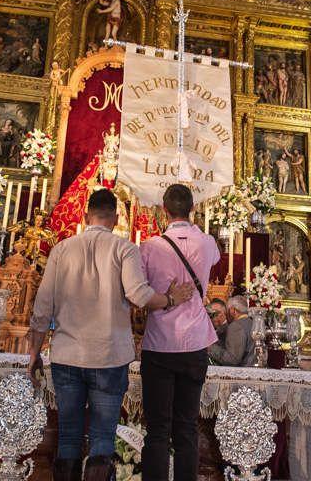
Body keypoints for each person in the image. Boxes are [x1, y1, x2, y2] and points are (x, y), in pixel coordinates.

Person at [27, 189, 194, 481]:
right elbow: (139, 295)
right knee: (102, 438)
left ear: (84, 215)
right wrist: (169, 300)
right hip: (108, 355)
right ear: (116, 218)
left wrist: (33, 354)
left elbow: (42, 307)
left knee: (68, 437)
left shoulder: (62, 249)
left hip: (68, 355)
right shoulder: (124, 248)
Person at [139, 184, 221, 480]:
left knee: (158, 429)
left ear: (163, 211)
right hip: (194, 342)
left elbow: (142, 292)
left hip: (160, 343)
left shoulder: (150, 246)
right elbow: (213, 260)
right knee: (187, 427)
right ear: (193, 209)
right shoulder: (207, 242)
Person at [208, 295, 256, 367]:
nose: (226, 314)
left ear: (233, 310)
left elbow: (232, 359)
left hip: (241, 373)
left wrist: (210, 347)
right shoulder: (252, 322)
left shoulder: (236, 326)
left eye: (227, 310)